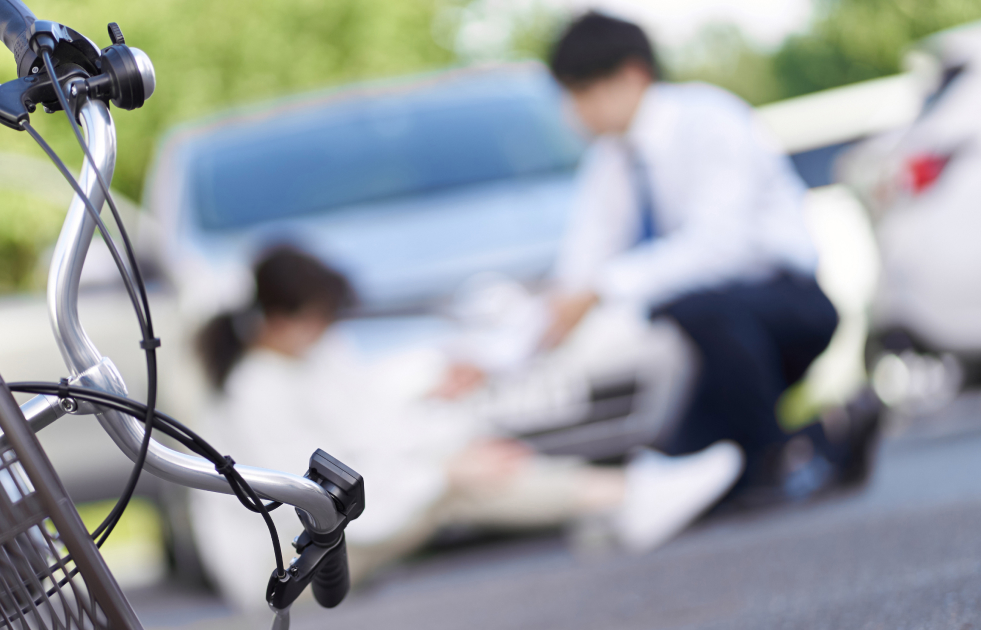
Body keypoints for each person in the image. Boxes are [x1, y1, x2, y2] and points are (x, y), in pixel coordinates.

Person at [189, 246, 744, 611]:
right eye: (319, 318)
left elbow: (370, 430)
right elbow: (313, 499)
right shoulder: (255, 390)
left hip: (326, 539)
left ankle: (615, 501)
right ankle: (625, 497)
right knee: (457, 483)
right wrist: (444, 469)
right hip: (281, 569)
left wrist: (444, 429)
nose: (328, 330)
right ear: (283, 319)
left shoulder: (299, 360)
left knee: (464, 459)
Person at [541, 12, 878, 501]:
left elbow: (721, 250)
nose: (574, 114)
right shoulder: (609, 162)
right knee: (689, 466)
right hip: (708, 339)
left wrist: (603, 288)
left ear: (632, 76)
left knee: (691, 307)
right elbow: (581, 264)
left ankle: (782, 457)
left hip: (786, 306)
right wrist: (511, 344)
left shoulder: (710, 119)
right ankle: (825, 438)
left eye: (582, 93)